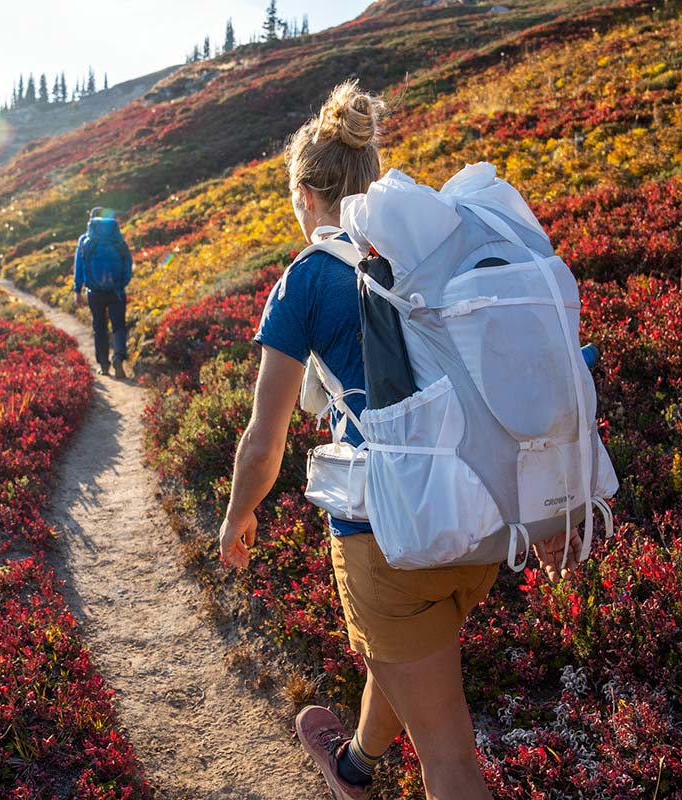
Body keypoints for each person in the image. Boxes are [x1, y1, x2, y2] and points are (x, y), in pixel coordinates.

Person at [217, 82, 582, 800]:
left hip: (388, 534)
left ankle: (367, 763)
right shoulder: (423, 256)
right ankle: (354, 763)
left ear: (304, 195)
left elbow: (266, 436)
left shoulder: (305, 281)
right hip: (477, 522)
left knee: (449, 762)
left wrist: (236, 515)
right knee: (408, 654)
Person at [73, 206, 132, 377]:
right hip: (117, 292)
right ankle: (119, 358)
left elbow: (79, 267)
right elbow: (128, 265)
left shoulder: (85, 241)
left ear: (91, 222)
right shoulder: (118, 241)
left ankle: (104, 366)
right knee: (119, 326)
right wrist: (122, 284)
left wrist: (78, 290)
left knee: (99, 327)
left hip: (94, 292)